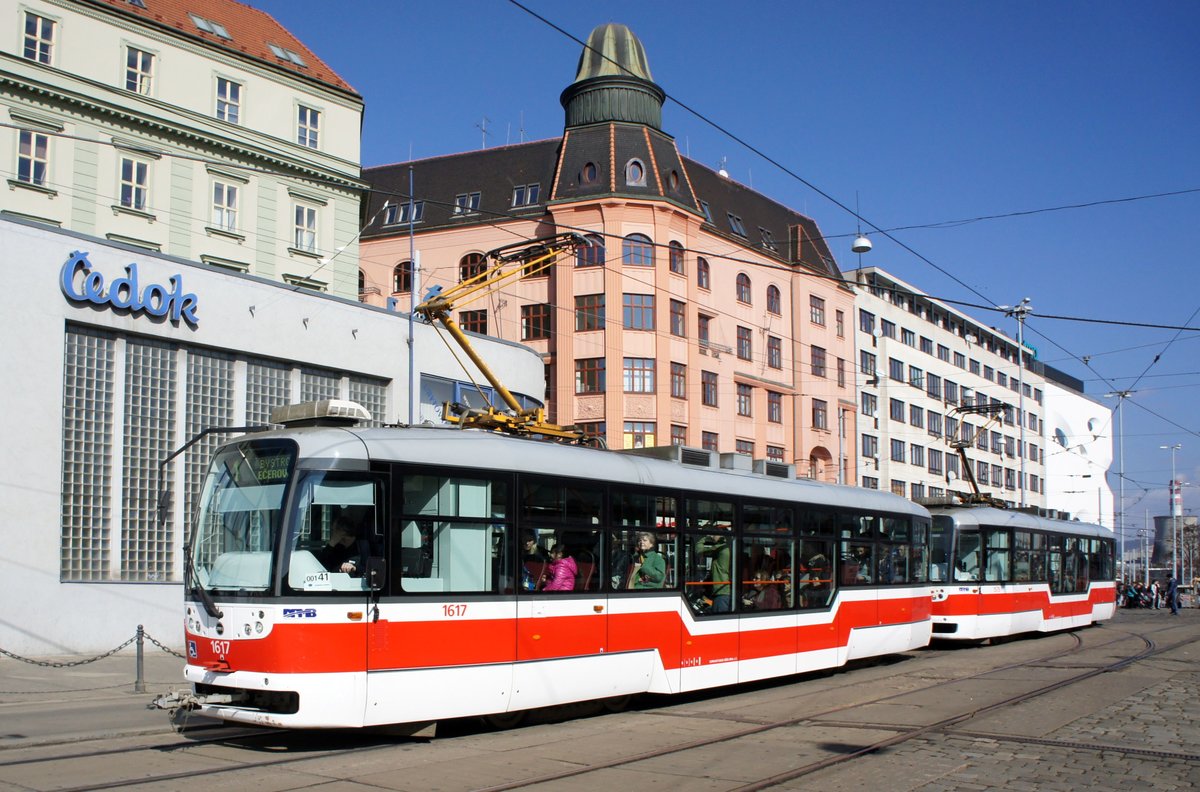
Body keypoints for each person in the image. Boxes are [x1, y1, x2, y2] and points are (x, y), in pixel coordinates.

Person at [698, 533, 732, 612]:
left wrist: (704, 537)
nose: (712, 536)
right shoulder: (726, 548)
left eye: (714, 534)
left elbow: (699, 551)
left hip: (721, 591)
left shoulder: (721, 548)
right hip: (720, 590)